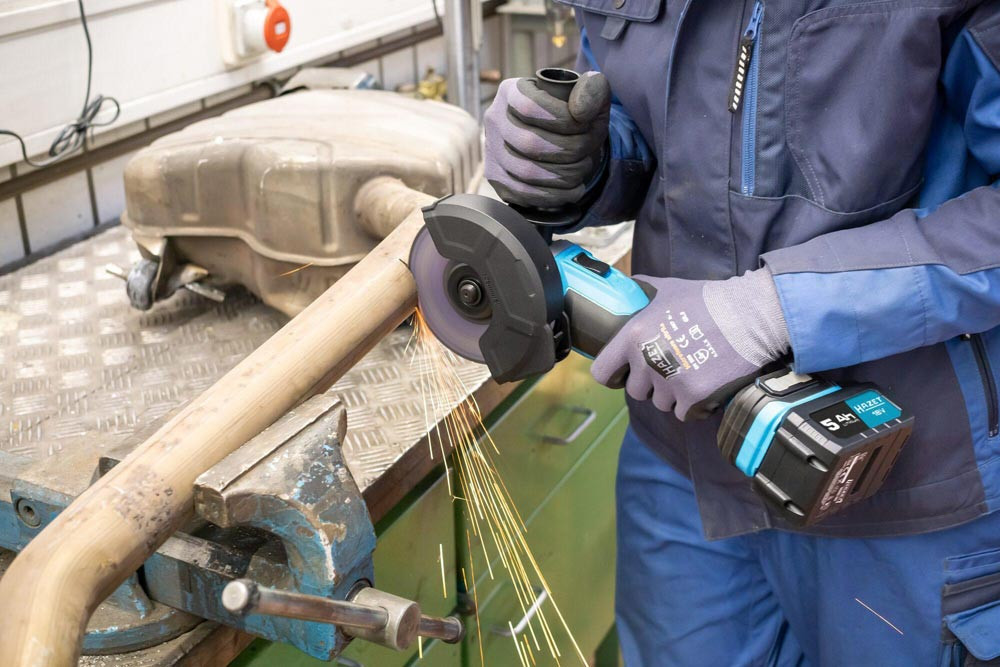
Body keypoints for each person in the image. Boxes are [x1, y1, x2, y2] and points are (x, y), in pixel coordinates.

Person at [483, 2, 1000, 665]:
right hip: (681, 469)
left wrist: (775, 308)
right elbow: (652, 125)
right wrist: (580, 159)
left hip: (905, 486)